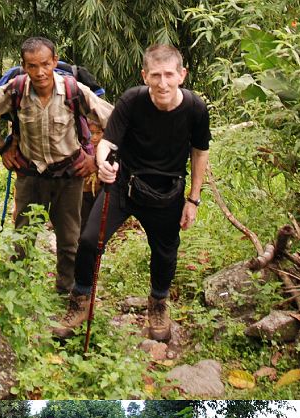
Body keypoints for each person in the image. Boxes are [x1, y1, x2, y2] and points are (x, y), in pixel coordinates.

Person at [54, 43, 210, 343]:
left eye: (168, 75)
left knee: (165, 253)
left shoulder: (195, 108)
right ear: (144, 75)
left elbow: (200, 152)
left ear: (182, 75)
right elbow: (107, 143)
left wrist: (193, 199)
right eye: (155, 75)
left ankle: (158, 303)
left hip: (168, 190)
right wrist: (103, 165)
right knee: (88, 240)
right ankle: (81, 300)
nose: (162, 83)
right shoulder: (132, 100)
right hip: (125, 183)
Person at [0, 37, 114, 295]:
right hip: (30, 174)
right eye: (32, 66)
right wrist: (1, 147)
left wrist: (96, 159)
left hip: (69, 177)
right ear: (23, 65)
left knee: (70, 240)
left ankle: (66, 292)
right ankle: (17, 295)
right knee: (22, 239)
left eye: (45, 64)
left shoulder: (73, 90)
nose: (40, 73)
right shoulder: (15, 91)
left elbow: (113, 119)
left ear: (54, 60)